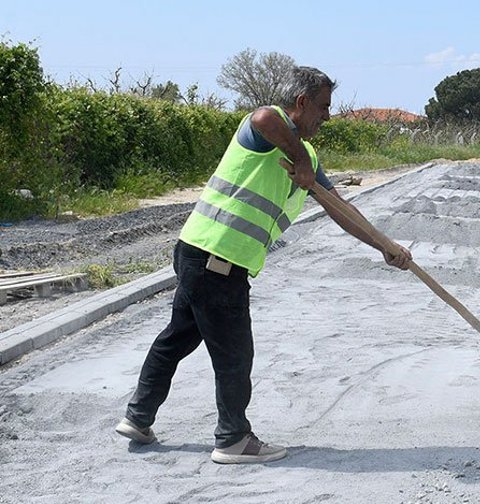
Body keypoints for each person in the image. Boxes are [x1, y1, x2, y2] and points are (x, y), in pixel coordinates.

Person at [115, 66, 413, 464]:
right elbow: (263, 116)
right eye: (323, 107)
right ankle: (233, 439)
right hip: (218, 258)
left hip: (200, 253)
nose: (327, 116)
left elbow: (340, 208)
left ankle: (138, 417)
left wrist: (385, 246)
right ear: (302, 102)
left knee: (178, 337)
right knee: (235, 353)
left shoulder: (307, 156)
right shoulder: (264, 130)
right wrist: (298, 158)